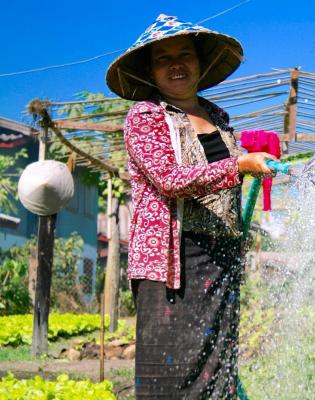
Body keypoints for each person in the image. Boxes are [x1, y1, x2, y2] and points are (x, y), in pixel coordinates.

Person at [106, 14, 274, 399]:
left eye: (185, 55)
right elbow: (168, 178)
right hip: (172, 259)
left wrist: (252, 169)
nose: (176, 64)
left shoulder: (219, 118)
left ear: (201, 63)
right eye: (164, 59)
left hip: (221, 253)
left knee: (216, 363)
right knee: (171, 365)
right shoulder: (145, 117)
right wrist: (239, 165)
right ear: (151, 70)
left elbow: (222, 176)